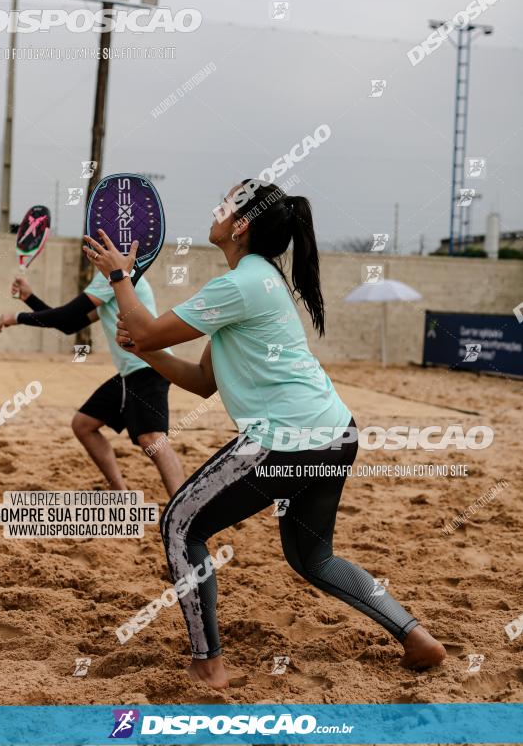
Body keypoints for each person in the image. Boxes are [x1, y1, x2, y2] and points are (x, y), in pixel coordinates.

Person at [83, 180, 446, 689]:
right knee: (313, 558)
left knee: (180, 527)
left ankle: (208, 664)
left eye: (225, 204)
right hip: (335, 433)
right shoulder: (258, 280)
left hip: (286, 438)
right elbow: (204, 381)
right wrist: (144, 349)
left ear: (242, 225)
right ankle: (416, 637)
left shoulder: (240, 284)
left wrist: (120, 276)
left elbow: (142, 326)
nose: (215, 208)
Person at [0, 272, 184, 497]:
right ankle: (120, 494)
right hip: (131, 371)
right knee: (83, 424)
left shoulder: (116, 276)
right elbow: (71, 324)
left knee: (152, 440)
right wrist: (30, 299)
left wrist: (17, 316)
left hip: (148, 368)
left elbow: (65, 317)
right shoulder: (113, 281)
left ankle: (184, 506)